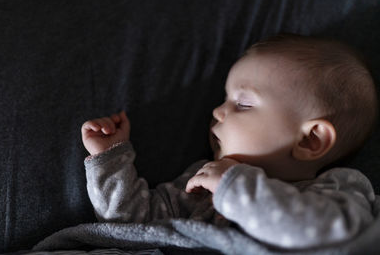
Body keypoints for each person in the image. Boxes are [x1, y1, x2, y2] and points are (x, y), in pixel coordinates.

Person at [81, 34, 378, 249]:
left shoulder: (337, 191)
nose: (217, 111)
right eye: (225, 99)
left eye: (243, 104)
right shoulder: (201, 182)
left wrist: (236, 186)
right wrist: (111, 159)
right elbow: (132, 226)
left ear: (311, 140)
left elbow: (322, 235)